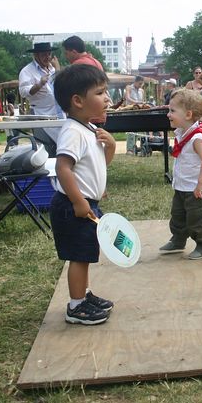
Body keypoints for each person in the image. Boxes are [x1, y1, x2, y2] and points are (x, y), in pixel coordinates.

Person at [50, 63, 116, 325]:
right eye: (100, 93)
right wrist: (78, 201)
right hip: (72, 206)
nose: (107, 99)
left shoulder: (88, 128)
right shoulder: (73, 131)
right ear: (77, 101)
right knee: (78, 256)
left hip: (86, 202)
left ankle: (84, 295)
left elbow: (99, 163)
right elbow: (62, 167)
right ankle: (76, 306)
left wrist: (109, 145)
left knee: (86, 252)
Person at [159, 89, 202, 260]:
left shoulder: (197, 138)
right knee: (178, 214)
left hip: (197, 188)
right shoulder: (182, 133)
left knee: (198, 217)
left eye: (172, 111)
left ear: (188, 114)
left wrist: (200, 185)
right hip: (183, 185)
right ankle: (178, 239)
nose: (168, 115)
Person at [18, 42, 63, 155]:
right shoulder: (27, 71)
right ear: (36, 56)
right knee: (46, 148)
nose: (47, 57)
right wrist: (39, 85)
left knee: (62, 147)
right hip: (41, 114)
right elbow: (23, 92)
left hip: (59, 113)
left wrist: (58, 71)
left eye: (49, 54)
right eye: (43, 54)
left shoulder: (53, 69)